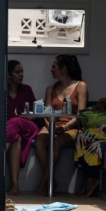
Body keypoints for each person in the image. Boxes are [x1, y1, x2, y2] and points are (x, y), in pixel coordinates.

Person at [34, 54, 88, 196]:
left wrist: (64, 128)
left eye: (54, 67)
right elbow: (46, 113)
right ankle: (51, 178)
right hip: (51, 125)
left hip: (72, 127)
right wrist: (51, 126)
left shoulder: (81, 86)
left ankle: (43, 184)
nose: (51, 70)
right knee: (40, 140)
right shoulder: (50, 89)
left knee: (56, 142)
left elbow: (81, 115)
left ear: (64, 69)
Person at [5, 59, 39, 195]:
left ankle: (0, 153)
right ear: (8, 75)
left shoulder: (27, 89)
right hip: (10, 131)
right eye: (17, 72)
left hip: (27, 125)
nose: (21, 75)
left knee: (15, 121)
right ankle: (15, 186)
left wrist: (27, 115)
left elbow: (36, 112)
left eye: (22, 72)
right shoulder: (2, 91)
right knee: (16, 140)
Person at [74, 97, 106, 197]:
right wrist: (102, 103)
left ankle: (91, 179)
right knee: (84, 138)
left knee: (86, 136)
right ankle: (89, 178)